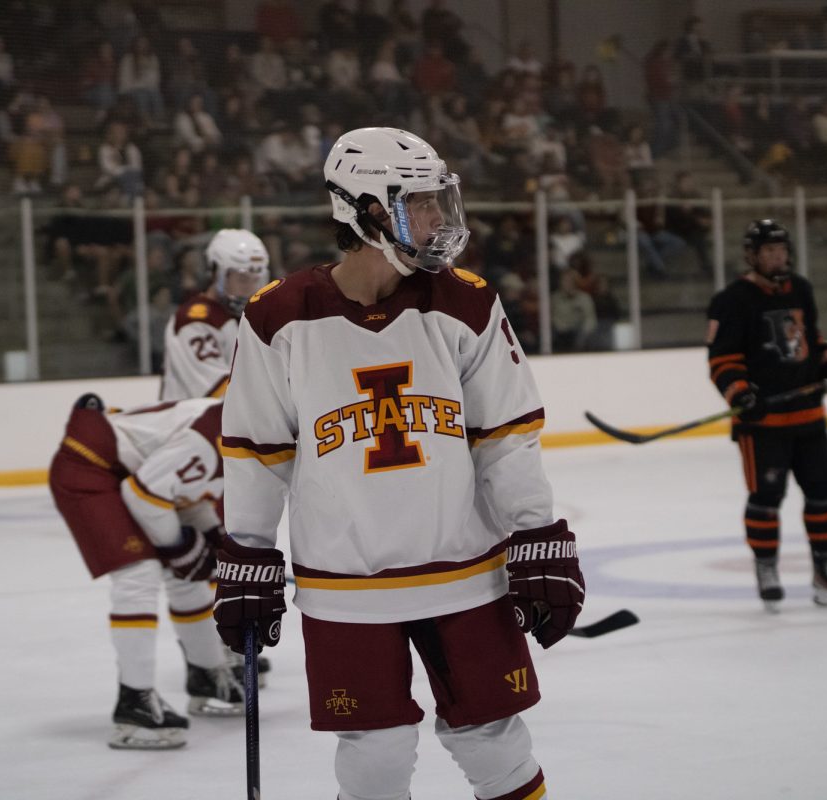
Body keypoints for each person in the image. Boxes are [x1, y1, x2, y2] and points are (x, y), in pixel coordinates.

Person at [214, 127, 586, 800]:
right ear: (364, 209)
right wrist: (247, 553)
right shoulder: (278, 318)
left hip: (466, 572)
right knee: (375, 759)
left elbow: (506, 435)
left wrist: (536, 533)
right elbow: (254, 452)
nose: (440, 220)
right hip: (346, 583)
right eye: (420, 204)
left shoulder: (466, 301)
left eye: (441, 201)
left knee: (496, 744)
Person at [48, 394, 247, 750]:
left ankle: (206, 674)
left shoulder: (247, 423)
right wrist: (182, 547)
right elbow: (144, 494)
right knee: (138, 573)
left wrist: (215, 544)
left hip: (137, 473)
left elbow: (192, 495)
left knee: (186, 573)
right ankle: (134, 705)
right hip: (92, 466)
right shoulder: (226, 426)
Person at [706, 219, 827, 613]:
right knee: (765, 498)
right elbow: (722, 361)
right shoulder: (732, 300)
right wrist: (742, 394)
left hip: (809, 417)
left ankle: (826, 571)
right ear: (752, 256)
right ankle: (767, 569)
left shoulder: (802, 289)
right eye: (769, 251)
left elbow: (814, 341)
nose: (778, 257)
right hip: (763, 425)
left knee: (823, 491)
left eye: (782, 250)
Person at [160, 229, 270, 402]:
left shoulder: (246, 318)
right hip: (192, 425)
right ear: (216, 272)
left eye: (255, 279)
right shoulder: (195, 320)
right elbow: (218, 391)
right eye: (242, 278)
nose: (250, 287)